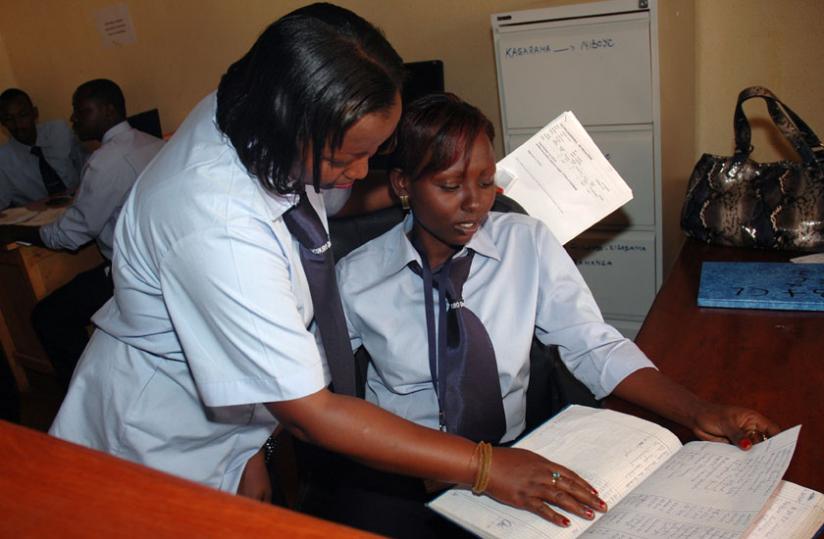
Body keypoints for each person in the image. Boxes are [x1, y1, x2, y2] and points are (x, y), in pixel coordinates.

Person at [48, 3, 606, 524]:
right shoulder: (216, 223)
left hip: (234, 423)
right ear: (289, 125)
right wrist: (485, 467)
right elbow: (309, 412)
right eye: (348, 157)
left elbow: (321, 202)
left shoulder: (248, 110)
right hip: (155, 442)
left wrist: (427, 185)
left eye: (373, 154)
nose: (359, 174)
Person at [331, 93, 781, 535]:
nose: (474, 204)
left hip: (516, 457)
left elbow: (592, 344)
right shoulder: (355, 277)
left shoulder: (526, 242)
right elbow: (318, 399)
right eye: (450, 186)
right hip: (408, 474)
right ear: (403, 184)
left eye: (486, 183)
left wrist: (699, 411)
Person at [0, 79, 165, 388]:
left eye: (81, 111)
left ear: (108, 111)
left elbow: (70, 235)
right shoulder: (153, 142)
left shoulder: (103, 162)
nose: (73, 119)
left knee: (48, 317)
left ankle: (92, 391)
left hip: (132, 274)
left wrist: (16, 232)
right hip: (160, 263)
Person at [0, 88, 86, 210]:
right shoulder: (3, 161)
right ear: (2, 123)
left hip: (81, 202)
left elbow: (87, 166)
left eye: (23, 115)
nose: (18, 124)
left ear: (35, 113)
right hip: (43, 215)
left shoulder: (59, 132)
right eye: (9, 119)